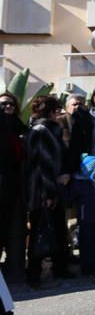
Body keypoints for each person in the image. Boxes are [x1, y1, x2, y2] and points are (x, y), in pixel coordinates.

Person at [24, 96, 74, 287]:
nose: (61, 113)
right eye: (58, 110)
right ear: (51, 111)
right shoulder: (42, 131)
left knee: (57, 229)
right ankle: (34, 274)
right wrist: (48, 194)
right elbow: (42, 165)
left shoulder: (46, 129)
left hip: (48, 188)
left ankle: (59, 268)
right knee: (40, 230)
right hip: (42, 190)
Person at [61, 155, 95, 282]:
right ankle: (91, 271)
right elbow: (68, 199)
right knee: (89, 247)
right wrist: (62, 186)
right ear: (90, 172)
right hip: (86, 222)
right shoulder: (80, 185)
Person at [0, 92, 27, 284]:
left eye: (10, 104)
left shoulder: (20, 127)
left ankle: (15, 270)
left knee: (16, 231)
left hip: (17, 187)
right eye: (2, 104)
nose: (7, 107)